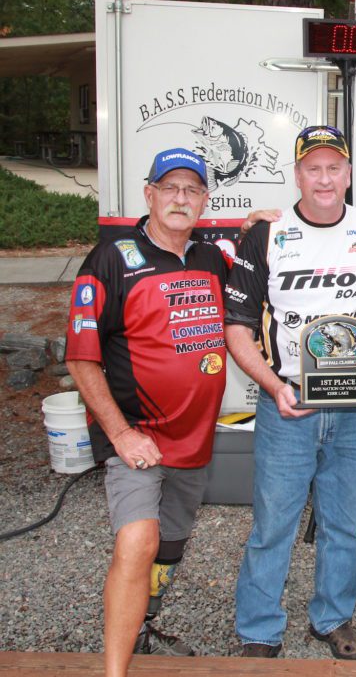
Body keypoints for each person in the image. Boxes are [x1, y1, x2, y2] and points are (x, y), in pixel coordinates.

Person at [224, 125, 356, 660]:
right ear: (297, 174)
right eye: (313, 168)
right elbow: (236, 328)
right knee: (273, 523)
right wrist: (273, 387)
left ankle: (332, 618)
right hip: (290, 401)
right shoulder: (265, 236)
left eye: (334, 168)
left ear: (348, 173)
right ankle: (259, 629)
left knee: (346, 523)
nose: (324, 178)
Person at [65, 148, 229, 676]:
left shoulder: (212, 258)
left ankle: (144, 624)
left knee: (169, 549)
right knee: (139, 541)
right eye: (170, 188)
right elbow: (80, 356)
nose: (181, 199)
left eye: (192, 190)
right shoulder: (111, 259)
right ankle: (116, 671)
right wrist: (119, 433)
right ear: (149, 194)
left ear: (204, 200)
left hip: (195, 441)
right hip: (138, 437)